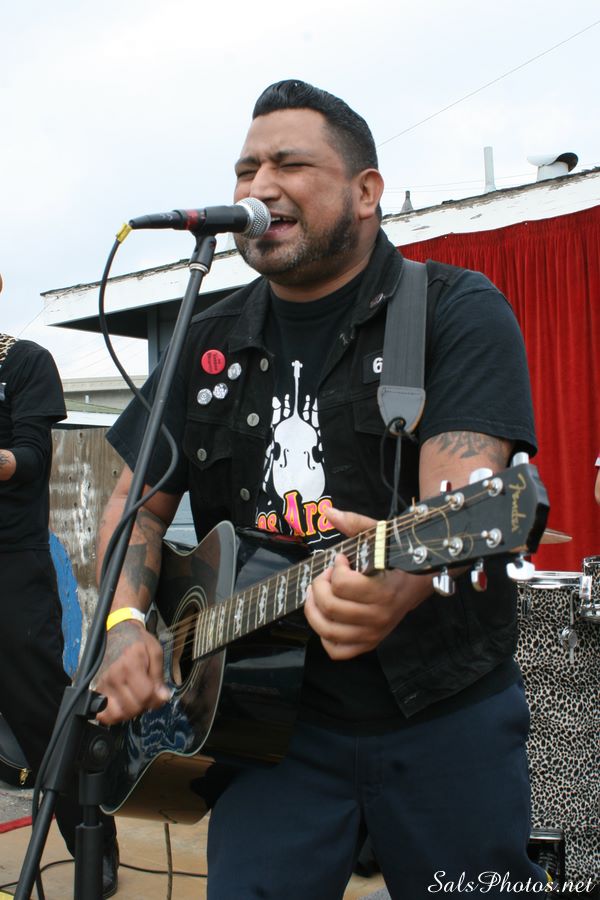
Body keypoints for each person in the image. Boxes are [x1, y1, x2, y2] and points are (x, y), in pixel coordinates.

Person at [95, 80, 549, 898]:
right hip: (265, 735)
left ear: (366, 192)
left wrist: (405, 579)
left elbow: (466, 498)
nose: (258, 186)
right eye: (246, 169)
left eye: (289, 163)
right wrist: (126, 625)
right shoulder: (205, 341)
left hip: (443, 715)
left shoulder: (452, 311)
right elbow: (134, 509)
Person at [0, 273, 119, 898]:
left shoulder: (24, 361)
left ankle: (93, 843)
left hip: (11, 565)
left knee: (41, 711)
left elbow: (31, 459)